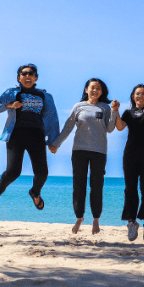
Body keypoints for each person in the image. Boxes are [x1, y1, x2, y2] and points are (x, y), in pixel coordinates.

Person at [48, 78, 118, 235]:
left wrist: (114, 112)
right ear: (86, 89)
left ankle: (96, 219)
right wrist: (56, 144)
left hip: (99, 151)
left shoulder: (105, 107)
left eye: (98, 88)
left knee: (96, 186)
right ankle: (79, 217)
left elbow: (110, 129)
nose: (95, 90)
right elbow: (68, 127)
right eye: (92, 87)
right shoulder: (78, 107)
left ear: (102, 91)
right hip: (79, 150)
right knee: (78, 185)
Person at [0, 63, 60, 210]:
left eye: (31, 73)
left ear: (36, 78)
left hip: (37, 136)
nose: (28, 76)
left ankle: (35, 192)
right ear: (19, 78)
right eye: (24, 73)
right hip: (16, 135)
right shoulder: (11, 93)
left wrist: (54, 141)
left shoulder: (45, 96)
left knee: (42, 173)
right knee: (13, 172)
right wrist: (9, 106)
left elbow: (53, 118)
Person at [115, 84, 144, 243]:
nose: (140, 96)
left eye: (143, 94)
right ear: (133, 97)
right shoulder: (128, 113)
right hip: (130, 153)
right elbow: (120, 127)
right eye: (137, 94)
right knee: (130, 188)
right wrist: (115, 111)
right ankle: (131, 222)